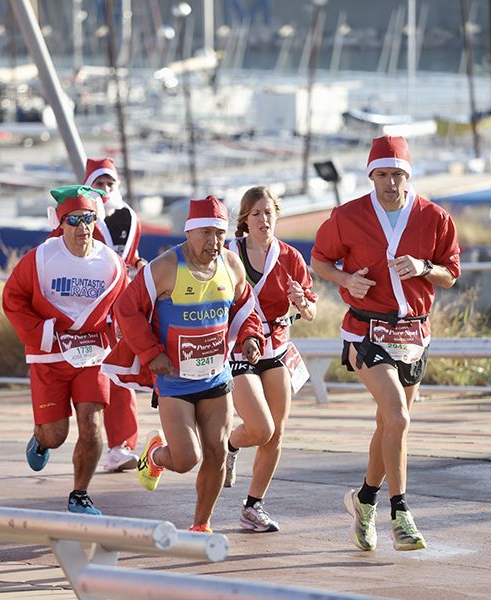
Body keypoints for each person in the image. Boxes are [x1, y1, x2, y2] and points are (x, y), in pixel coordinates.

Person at [311, 136, 460, 552]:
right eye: (382, 175)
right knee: (397, 415)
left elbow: (450, 273)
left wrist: (424, 267)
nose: (390, 183)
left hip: (413, 334)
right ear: (371, 176)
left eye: (397, 175)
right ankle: (401, 512)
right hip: (366, 330)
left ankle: (364, 500)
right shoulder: (347, 216)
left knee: (389, 423)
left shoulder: (434, 217)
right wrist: (345, 280)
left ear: (408, 176)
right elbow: (319, 259)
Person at [102, 195, 265, 532]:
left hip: (216, 377)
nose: (214, 241)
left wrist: (251, 339)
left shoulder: (231, 265)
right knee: (186, 459)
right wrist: (150, 353)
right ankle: (156, 455)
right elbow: (126, 310)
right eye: (205, 232)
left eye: (219, 233)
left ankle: (200, 525)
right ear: (189, 232)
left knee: (217, 454)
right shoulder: (164, 267)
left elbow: (246, 308)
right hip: (175, 380)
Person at [3, 185, 128, 515]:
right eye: (72, 220)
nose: (81, 227)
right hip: (49, 356)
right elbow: (12, 299)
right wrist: (41, 333)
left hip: (91, 354)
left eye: (87, 219)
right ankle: (41, 439)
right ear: (60, 223)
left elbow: (125, 309)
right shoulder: (41, 258)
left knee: (92, 423)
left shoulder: (112, 264)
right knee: (57, 434)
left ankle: (80, 495)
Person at [223, 185, 318, 533]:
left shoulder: (290, 257)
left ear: (278, 216)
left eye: (269, 213)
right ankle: (231, 444)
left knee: (276, 434)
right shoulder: (228, 254)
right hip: (236, 349)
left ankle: (253, 506)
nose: (264, 220)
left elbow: (311, 310)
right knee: (260, 429)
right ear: (245, 220)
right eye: (257, 214)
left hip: (276, 347)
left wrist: (301, 302)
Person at [83, 158, 144, 473]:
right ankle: (48, 430)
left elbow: (130, 258)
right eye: (99, 184)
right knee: (84, 378)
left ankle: (121, 446)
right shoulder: (78, 216)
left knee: (121, 375)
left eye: (110, 184)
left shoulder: (130, 217)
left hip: (122, 310)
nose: (105, 190)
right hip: (86, 310)